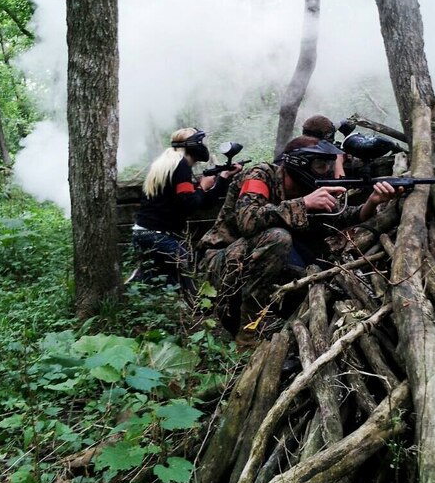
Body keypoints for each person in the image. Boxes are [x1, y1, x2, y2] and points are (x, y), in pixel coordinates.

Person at [199, 135, 398, 348]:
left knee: (317, 266)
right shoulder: (260, 175)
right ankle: (247, 336)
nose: (328, 170)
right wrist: (304, 203)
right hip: (220, 259)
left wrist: (372, 202)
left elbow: (339, 217)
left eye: (329, 164)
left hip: (261, 258)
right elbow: (248, 220)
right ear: (299, 163)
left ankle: (286, 319)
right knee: (278, 237)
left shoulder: (309, 186)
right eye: (321, 165)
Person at [131, 127, 241, 290]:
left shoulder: (169, 163)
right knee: (183, 263)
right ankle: (196, 308)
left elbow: (204, 203)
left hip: (145, 233)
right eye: (201, 141)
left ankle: (135, 288)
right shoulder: (180, 165)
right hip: (156, 235)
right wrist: (202, 187)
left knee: (162, 281)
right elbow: (189, 204)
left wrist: (222, 178)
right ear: (193, 145)